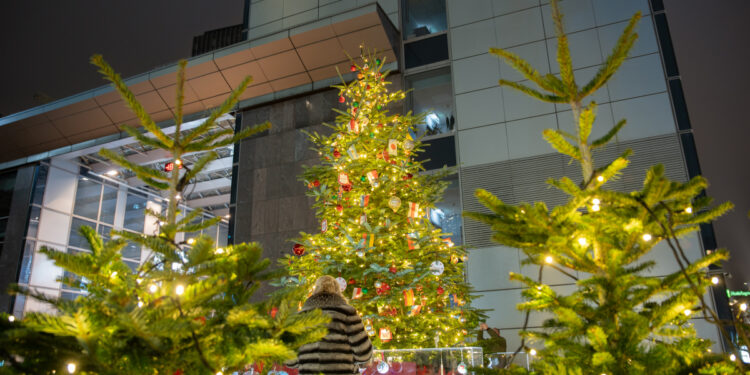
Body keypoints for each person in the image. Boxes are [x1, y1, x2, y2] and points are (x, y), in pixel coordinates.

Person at [286, 275, 373, 375]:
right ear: (337, 290)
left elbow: (290, 360)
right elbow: (364, 354)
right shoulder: (347, 313)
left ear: (315, 290)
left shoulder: (300, 317)